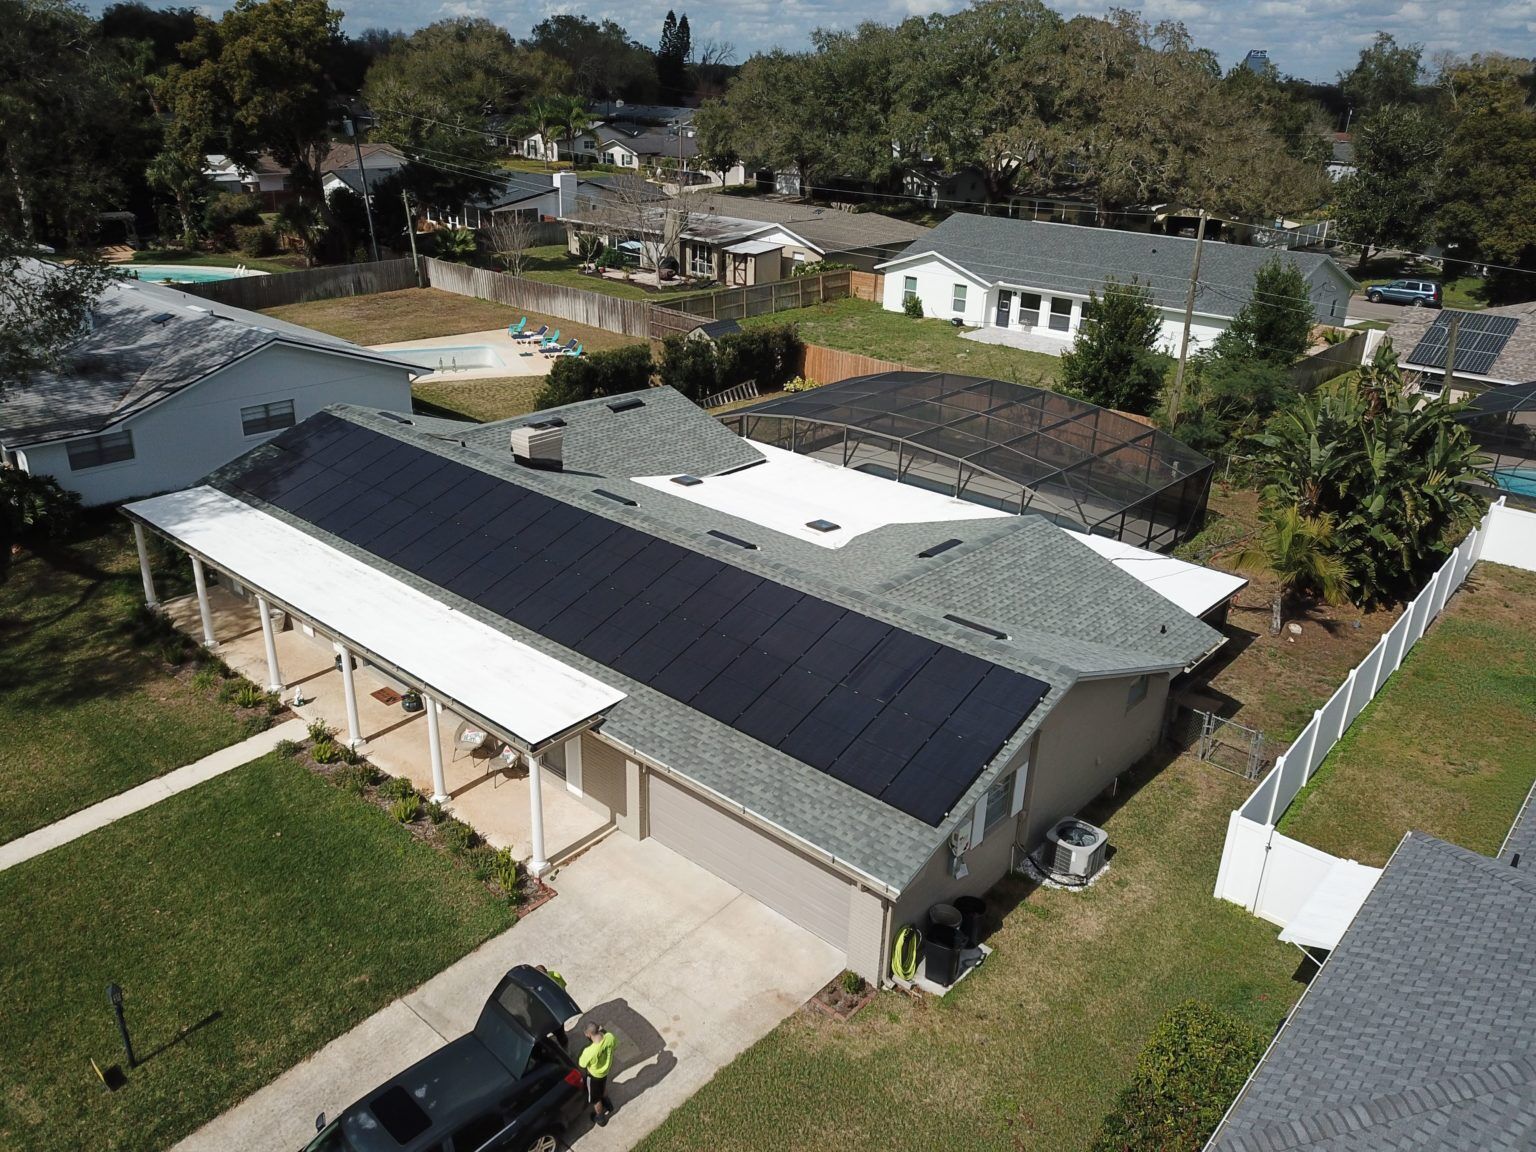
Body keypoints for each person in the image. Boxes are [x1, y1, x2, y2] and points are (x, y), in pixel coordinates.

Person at [578, 1021, 616, 1126]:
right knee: (603, 1087)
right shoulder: (610, 1037)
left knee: (595, 1098)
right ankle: (608, 1104)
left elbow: (582, 1064)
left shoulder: (589, 1051)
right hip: (605, 1072)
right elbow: (615, 1044)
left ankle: (600, 1117)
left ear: (588, 1034)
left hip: (594, 1076)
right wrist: (603, 1030)